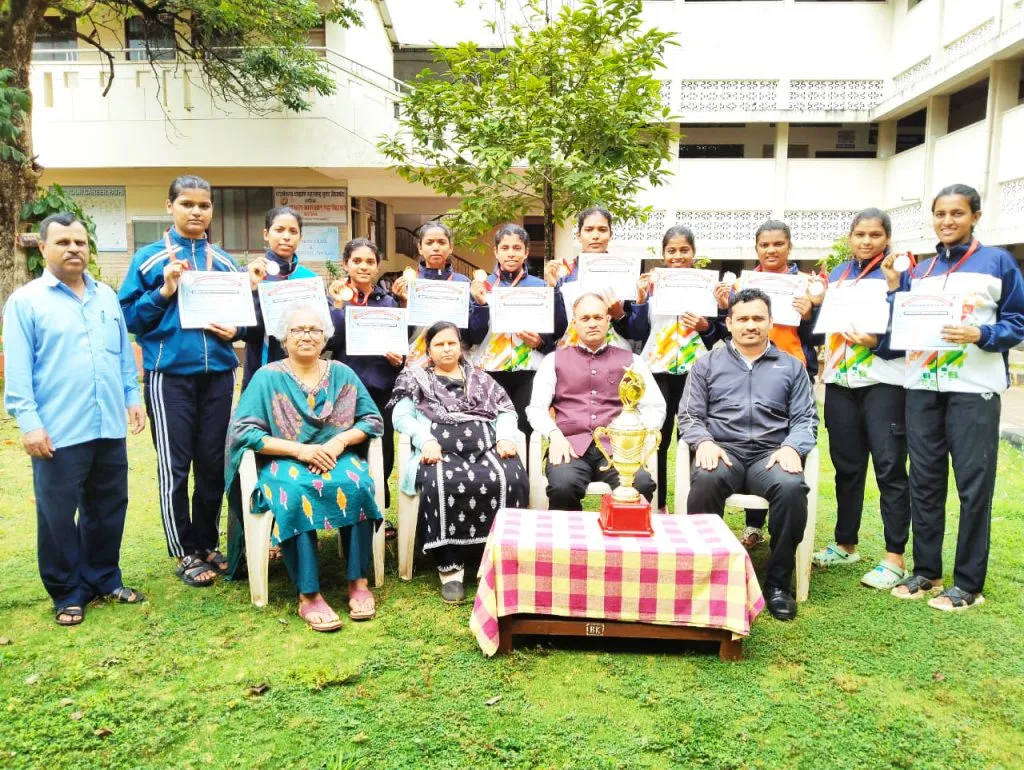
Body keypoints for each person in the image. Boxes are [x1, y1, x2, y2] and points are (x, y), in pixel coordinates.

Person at [884, 184, 1024, 611]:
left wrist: (982, 334)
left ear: (975, 216)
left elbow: (1018, 321)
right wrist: (894, 287)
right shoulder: (921, 270)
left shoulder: (998, 262)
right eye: (941, 214)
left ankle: (968, 583)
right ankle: (927, 571)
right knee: (924, 481)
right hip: (923, 386)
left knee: (972, 486)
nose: (947, 221)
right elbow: (899, 325)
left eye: (957, 213)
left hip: (972, 388)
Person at [3, 213, 147, 626]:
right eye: (63, 242)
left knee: (108, 507)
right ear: (44, 249)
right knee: (57, 514)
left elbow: (121, 354)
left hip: (107, 426)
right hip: (57, 430)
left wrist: (131, 396)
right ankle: (67, 590)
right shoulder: (26, 301)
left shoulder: (106, 297)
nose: (73, 249)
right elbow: (18, 372)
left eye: (81, 242)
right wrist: (29, 423)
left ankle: (103, 576)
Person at [118, 174, 244, 587]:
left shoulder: (224, 262)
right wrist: (164, 291)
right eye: (187, 204)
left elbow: (244, 319)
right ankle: (184, 550)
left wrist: (236, 331)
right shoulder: (150, 259)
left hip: (219, 375)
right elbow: (130, 320)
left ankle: (207, 543)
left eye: (204, 205)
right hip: (169, 375)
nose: (196, 212)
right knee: (175, 466)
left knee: (212, 465)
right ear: (169, 206)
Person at [225, 304, 384, 630]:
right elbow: (245, 432)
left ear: (325, 336)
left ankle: (358, 580)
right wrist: (300, 450)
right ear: (285, 338)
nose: (307, 336)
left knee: (358, 485)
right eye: (298, 330)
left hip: (334, 457)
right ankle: (308, 594)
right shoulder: (267, 377)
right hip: (283, 460)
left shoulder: (342, 373)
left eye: (314, 330)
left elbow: (371, 419)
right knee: (295, 492)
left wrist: (338, 442)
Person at [681, 288, 818, 621]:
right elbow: (689, 415)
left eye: (758, 318)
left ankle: (777, 584)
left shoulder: (792, 366)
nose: (750, 325)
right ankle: (707, 578)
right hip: (723, 451)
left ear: (771, 321)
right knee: (705, 481)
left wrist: (791, 447)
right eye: (742, 318)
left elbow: (806, 418)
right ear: (729, 323)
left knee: (791, 489)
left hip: (770, 456)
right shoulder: (706, 365)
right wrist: (704, 442)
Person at [390, 322, 528, 604]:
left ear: (461, 346)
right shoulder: (414, 379)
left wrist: (505, 438)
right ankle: (450, 568)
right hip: (438, 451)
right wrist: (424, 440)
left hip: (487, 448)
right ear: (428, 350)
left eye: (451, 343)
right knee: (442, 481)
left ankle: (504, 557)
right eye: (439, 344)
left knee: (512, 477)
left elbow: (505, 411)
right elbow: (401, 417)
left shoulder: (481, 379)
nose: (446, 349)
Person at [810, 209, 911, 589]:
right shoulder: (837, 274)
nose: (866, 241)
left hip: (883, 382)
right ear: (850, 237)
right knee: (847, 468)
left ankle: (894, 557)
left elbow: (908, 325)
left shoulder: (900, 271)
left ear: (887, 237)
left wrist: (877, 342)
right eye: (860, 234)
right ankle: (845, 543)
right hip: (839, 382)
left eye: (874, 234)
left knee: (889, 468)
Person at [715, 220, 821, 550]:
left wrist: (810, 314)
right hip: (743, 366)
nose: (771, 250)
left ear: (789, 247)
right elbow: (728, 331)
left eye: (778, 244)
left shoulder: (803, 285)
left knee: (774, 435)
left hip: (787, 365)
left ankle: (778, 541)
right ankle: (751, 526)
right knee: (744, 427)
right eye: (765, 244)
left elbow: (814, 337)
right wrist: (723, 308)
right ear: (756, 248)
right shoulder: (747, 284)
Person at [527, 293, 665, 511]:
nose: (592, 323)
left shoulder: (632, 361)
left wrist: (634, 437)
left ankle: (621, 542)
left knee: (641, 484)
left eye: (598, 317)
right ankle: (570, 542)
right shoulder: (553, 360)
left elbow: (654, 407)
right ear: (574, 323)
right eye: (585, 318)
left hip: (617, 449)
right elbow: (536, 409)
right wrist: (554, 436)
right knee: (563, 486)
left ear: (608, 320)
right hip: (570, 447)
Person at [619, 225, 719, 514]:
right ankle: (659, 505)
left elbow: (719, 335)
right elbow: (635, 331)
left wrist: (706, 326)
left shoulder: (707, 287)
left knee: (690, 438)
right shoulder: (651, 286)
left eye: (684, 250)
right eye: (671, 251)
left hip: (695, 372)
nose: (677, 256)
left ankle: (690, 506)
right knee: (657, 438)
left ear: (694, 253)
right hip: (656, 371)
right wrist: (638, 300)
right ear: (663, 254)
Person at [327, 238, 404, 510]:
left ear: (377, 266)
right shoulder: (334, 301)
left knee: (383, 453)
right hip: (345, 390)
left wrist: (398, 361)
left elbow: (400, 347)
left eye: (370, 261)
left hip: (381, 389)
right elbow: (329, 342)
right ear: (346, 264)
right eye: (356, 261)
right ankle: (349, 513)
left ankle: (379, 512)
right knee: (349, 451)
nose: (363, 266)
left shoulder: (389, 303)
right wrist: (337, 308)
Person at [467, 224, 559, 437]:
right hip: (489, 370)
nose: (511, 253)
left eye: (517, 248)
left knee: (525, 428)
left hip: (528, 370)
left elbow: (554, 333)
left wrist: (540, 342)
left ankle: (525, 470)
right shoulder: (483, 287)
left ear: (526, 252)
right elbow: (474, 337)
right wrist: (480, 305)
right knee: (490, 428)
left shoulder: (540, 286)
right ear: (496, 252)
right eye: (505, 248)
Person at [239, 206, 331, 389]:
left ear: (300, 237)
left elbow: (325, 329)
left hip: (304, 367)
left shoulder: (310, 280)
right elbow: (243, 329)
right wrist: (253, 289)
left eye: (293, 231)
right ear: (266, 233)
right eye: (279, 230)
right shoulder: (250, 274)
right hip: (262, 362)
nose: (286, 236)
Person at [390, 221, 482, 368]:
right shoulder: (408, 284)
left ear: (450, 248)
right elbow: (398, 335)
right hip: (417, 363)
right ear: (420, 248)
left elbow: (473, 335)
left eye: (441, 242)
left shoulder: (463, 283)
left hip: (455, 362)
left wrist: (479, 305)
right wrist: (403, 303)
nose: (436, 247)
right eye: (429, 243)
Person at [548, 207, 629, 350]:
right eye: (589, 229)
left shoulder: (625, 273)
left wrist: (620, 316)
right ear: (579, 235)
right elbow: (557, 328)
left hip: (614, 356)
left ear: (611, 234)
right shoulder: (565, 273)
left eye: (602, 230)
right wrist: (552, 289)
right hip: (572, 354)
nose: (596, 235)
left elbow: (636, 331)